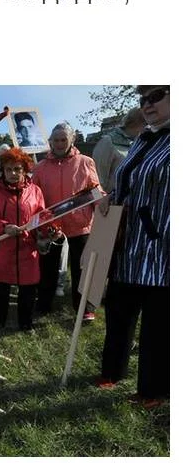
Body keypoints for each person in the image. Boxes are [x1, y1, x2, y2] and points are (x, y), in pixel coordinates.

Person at [97, 85, 169, 407]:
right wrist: (111, 198)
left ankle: (153, 391)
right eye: (143, 99)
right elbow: (128, 181)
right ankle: (112, 372)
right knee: (118, 313)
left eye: (157, 95)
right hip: (126, 243)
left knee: (157, 325)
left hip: (163, 251)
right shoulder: (143, 137)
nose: (147, 104)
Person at [32, 122, 102, 321]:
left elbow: (95, 190)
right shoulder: (40, 167)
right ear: (50, 141)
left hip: (81, 224)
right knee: (48, 267)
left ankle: (84, 307)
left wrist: (104, 205)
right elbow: (34, 195)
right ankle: (44, 303)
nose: (60, 144)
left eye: (64, 139)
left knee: (82, 268)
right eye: (56, 140)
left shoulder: (86, 162)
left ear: (72, 139)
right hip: (51, 226)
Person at [0, 148, 45, 330]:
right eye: (9, 169)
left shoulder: (36, 191)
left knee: (28, 288)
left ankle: (25, 324)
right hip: (1, 248)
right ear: (3, 170)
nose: (13, 173)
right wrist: (4, 227)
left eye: (17, 169)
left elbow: (42, 217)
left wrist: (49, 229)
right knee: (0, 288)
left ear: (25, 170)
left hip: (27, 247)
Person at [92, 107, 146, 193]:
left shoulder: (143, 144)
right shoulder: (108, 142)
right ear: (137, 122)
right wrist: (99, 200)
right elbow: (95, 181)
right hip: (112, 200)